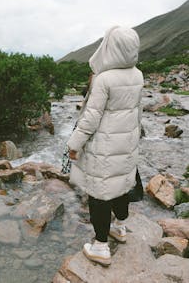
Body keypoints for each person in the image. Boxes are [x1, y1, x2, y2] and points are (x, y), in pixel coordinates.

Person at [67, 26, 144, 266]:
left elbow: (90, 119)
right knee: (121, 184)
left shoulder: (104, 79)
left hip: (104, 148)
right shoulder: (138, 75)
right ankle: (120, 228)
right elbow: (137, 112)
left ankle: (100, 247)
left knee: (99, 193)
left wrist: (74, 144)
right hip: (126, 145)